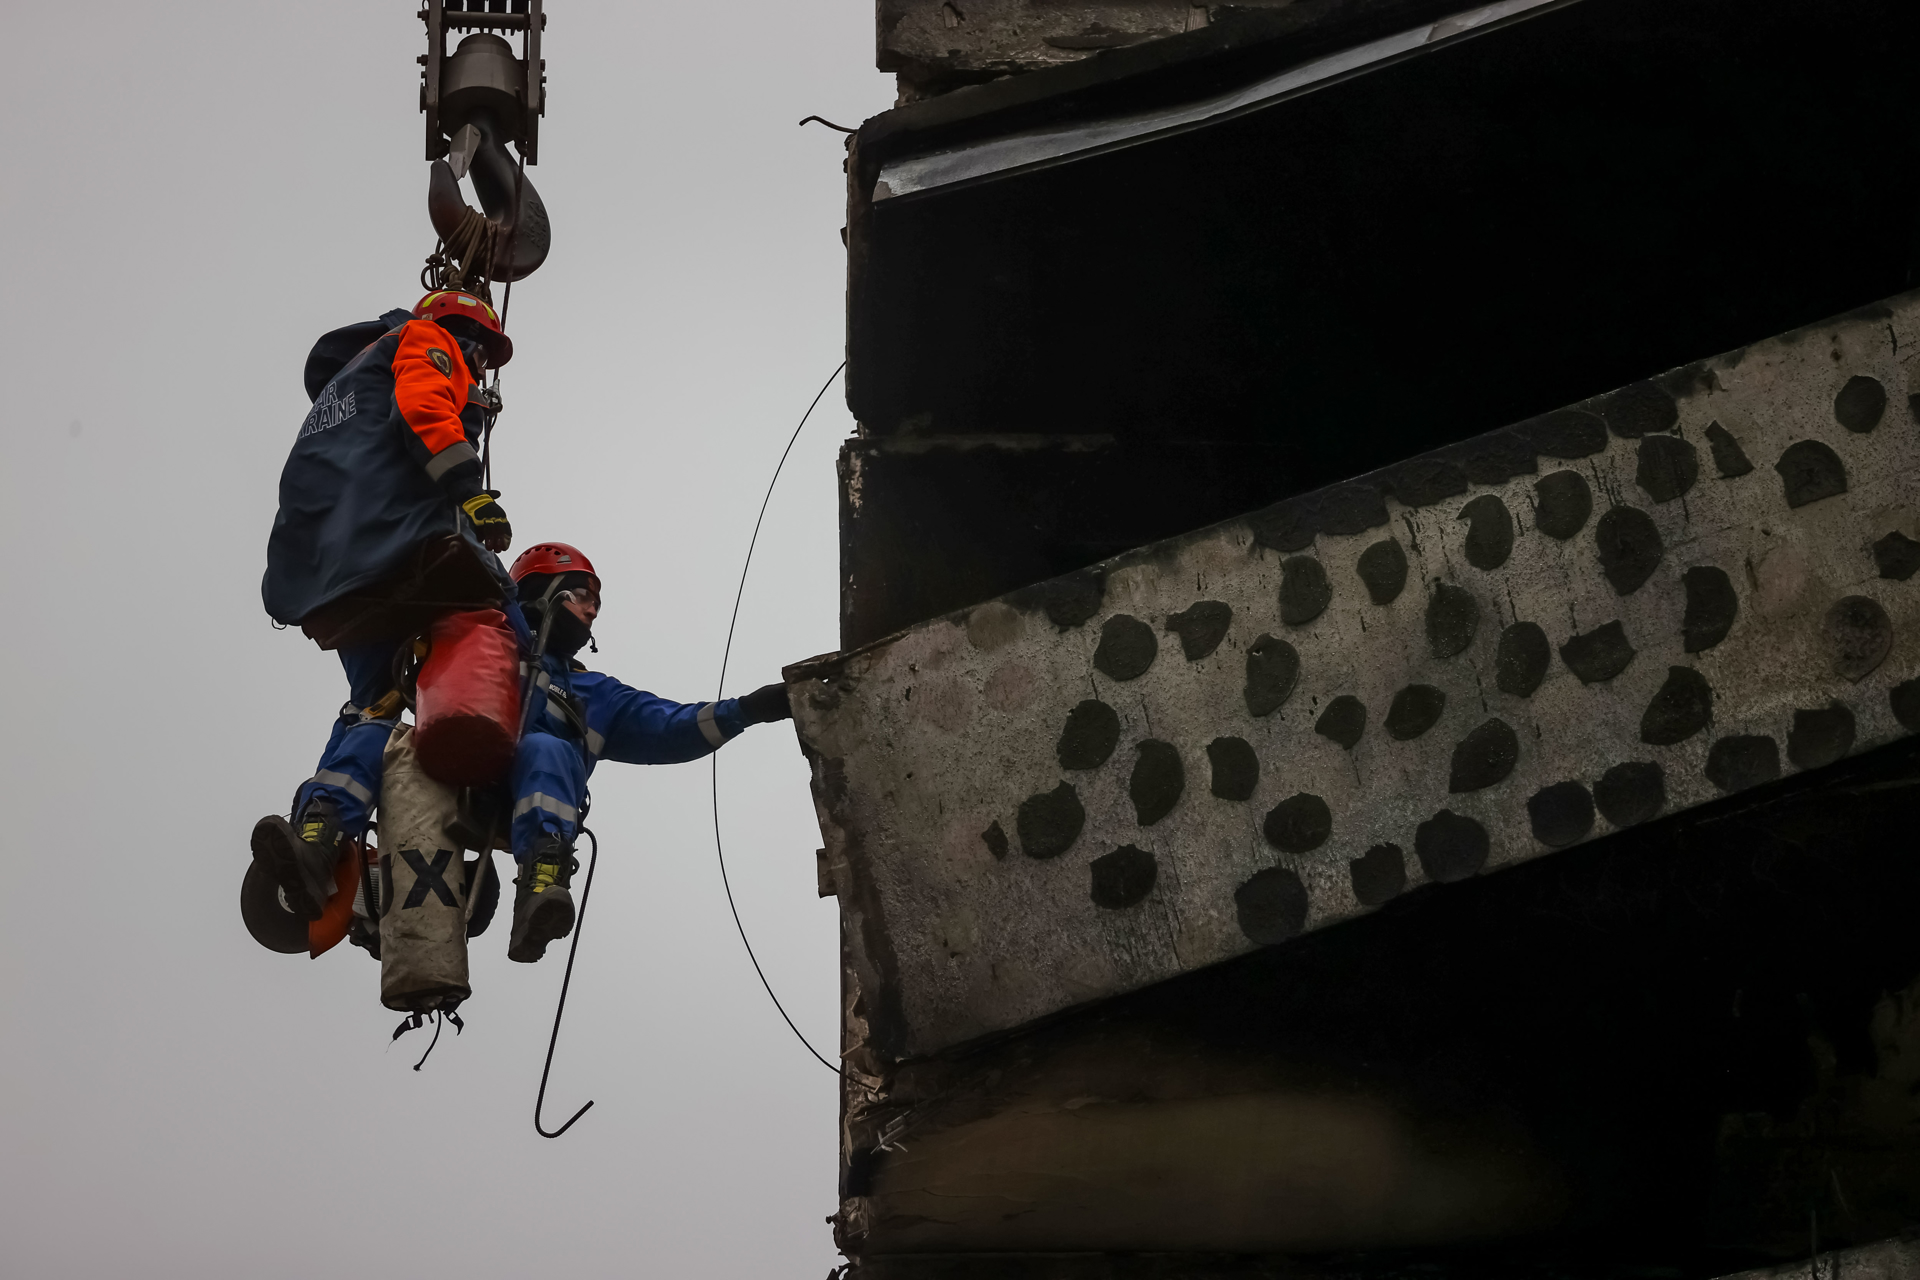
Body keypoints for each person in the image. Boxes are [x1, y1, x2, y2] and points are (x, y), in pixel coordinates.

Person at [251, 290, 518, 922]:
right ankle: (491, 816)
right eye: (479, 358)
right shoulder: (429, 343)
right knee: (517, 639)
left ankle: (320, 840)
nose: (477, 372)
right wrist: (468, 492)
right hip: (405, 546)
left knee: (376, 705)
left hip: (331, 579)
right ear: (468, 337)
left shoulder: (339, 391)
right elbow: (426, 405)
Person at [501, 543, 792, 962]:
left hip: (526, 803)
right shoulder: (492, 639)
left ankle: (543, 881)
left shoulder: (596, 694)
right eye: (583, 596)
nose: (593, 611)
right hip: (465, 769)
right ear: (547, 590)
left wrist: (748, 709)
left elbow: (671, 725)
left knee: (549, 748)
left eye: (597, 604)